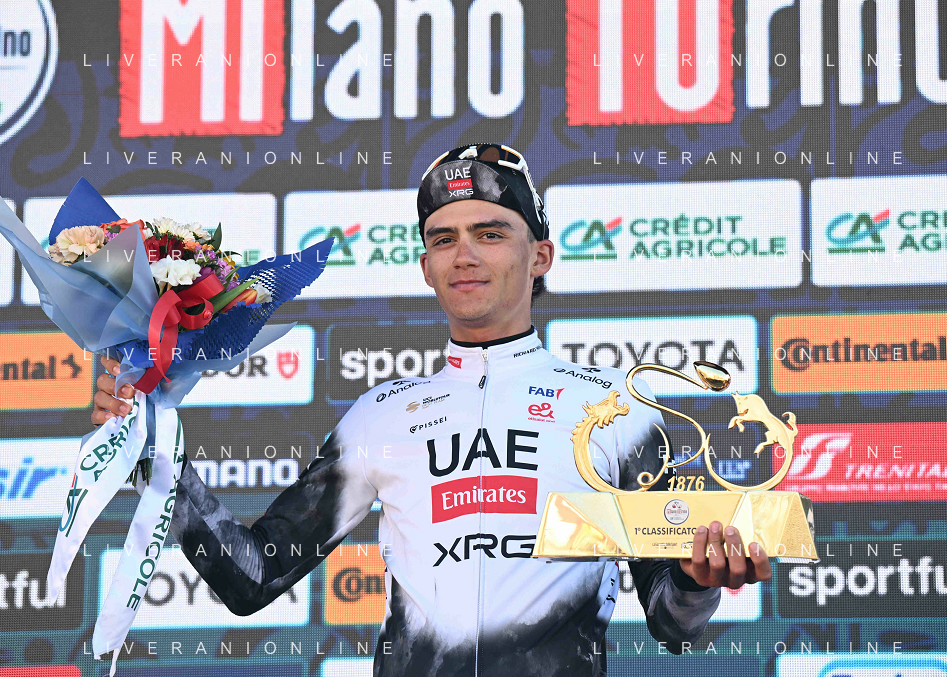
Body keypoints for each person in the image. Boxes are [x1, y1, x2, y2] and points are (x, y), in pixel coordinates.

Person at [92, 144, 774, 676]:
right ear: (424, 268)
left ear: (540, 255)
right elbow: (251, 577)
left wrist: (698, 582)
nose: (463, 255)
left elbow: (673, 623)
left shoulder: (617, 410)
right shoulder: (379, 416)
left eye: (489, 233)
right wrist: (151, 450)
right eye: (443, 239)